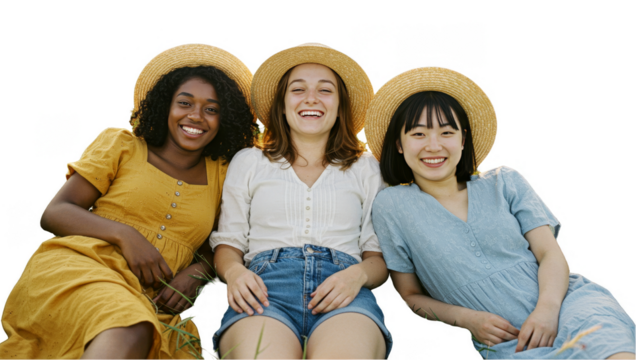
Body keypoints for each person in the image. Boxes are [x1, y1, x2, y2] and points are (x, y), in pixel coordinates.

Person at [0, 42, 256, 359]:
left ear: (225, 118)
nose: (196, 116)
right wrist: (125, 235)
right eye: (184, 103)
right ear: (165, 105)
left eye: (211, 109)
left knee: (141, 330)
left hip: (153, 299)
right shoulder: (121, 142)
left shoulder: (226, 173)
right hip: (81, 268)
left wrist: (200, 271)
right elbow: (55, 212)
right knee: (128, 326)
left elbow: (226, 243)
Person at [365, 65, 636, 359]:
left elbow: (550, 253)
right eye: (418, 133)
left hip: (568, 303)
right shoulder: (391, 205)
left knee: (612, 351)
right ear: (399, 145)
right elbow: (410, 294)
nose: (434, 146)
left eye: (446, 132)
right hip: (505, 338)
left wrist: (547, 310)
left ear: (463, 139)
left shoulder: (504, 180)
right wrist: (468, 319)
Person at [209, 41, 395, 359]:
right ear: (282, 104)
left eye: (325, 90)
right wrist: (235, 274)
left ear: (340, 105)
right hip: (265, 290)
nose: (311, 98)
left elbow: (377, 257)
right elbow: (229, 244)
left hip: (344, 290)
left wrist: (358, 275)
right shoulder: (249, 161)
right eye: (298, 90)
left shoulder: (367, 168)